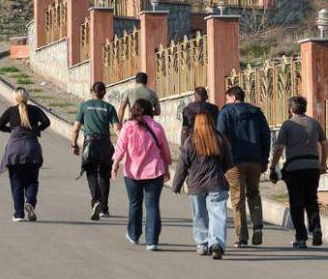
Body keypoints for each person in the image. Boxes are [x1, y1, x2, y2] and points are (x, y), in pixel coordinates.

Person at [171, 111, 234, 259]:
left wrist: (176, 185)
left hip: (196, 185)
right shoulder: (220, 139)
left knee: (199, 215)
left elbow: (182, 165)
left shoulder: (190, 141)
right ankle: (216, 243)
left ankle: (202, 244)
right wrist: (218, 171)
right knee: (218, 215)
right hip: (217, 183)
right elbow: (228, 163)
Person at [269, 96, 328, 249]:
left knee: (296, 203)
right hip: (313, 167)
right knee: (311, 200)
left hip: (295, 168)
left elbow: (279, 148)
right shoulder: (314, 123)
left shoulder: (288, 125)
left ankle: (301, 238)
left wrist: (273, 166)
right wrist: (323, 163)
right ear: (305, 108)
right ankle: (316, 229)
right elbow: (324, 143)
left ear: (290, 109)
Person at [113, 98, 172, 251]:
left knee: (134, 204)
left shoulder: (127, 127)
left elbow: (120, 148)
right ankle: (152, 241)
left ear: (133, 110)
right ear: (149, 110)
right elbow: (164, 149)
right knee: (152, 206)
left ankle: (133, 234)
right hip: (154, 172)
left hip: (132, 173)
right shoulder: (157, 127)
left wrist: (114, 165)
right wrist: (166, 167)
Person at [217, 85, 272, 247]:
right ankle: (258, 228)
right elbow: (266, 136)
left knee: (237, 199)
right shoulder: (257, 113)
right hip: (255, 160)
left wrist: (221, 160)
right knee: (254, 194)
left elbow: (220, 137)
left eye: (227, 99)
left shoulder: (226, 113)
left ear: (233, 98)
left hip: (234, 162)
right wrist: (264, 159)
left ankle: (242, 237)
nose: (226, 102)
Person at [0, 87, 51, 222]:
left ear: (15, 98)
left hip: (14, 151)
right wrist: (36, 129)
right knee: (32, 180)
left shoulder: (11, 110)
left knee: (17, 184)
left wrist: (12, 130)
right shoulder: (35, 110)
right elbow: (47, 122)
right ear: (27, 97)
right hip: (32, 150)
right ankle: (30, 202)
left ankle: (19, 214)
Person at [71, 82, 120, 220]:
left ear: (92, 91)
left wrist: (74, 144)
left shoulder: (84, 106)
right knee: (104, 175)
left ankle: (96, 200)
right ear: (104, 92)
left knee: (91, 173)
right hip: (105, 144)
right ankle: (104, 208)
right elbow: (117, 129)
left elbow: (75, 129)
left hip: (90, 144)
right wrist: (123, 145)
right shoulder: (109, 108)